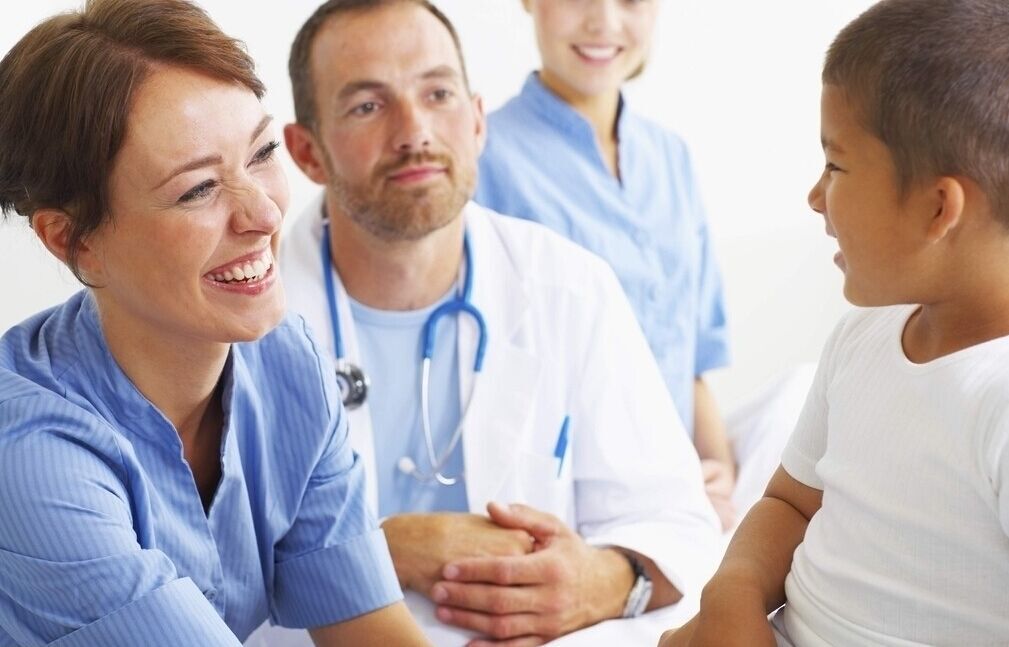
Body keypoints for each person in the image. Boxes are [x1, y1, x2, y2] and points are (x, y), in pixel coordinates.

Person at [259, 0, 722, 645]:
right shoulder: (243, 322)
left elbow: (678, 522)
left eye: (438, 94)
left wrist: (604, 580)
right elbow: (208, 565)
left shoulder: (570, 285)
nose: (414, 131)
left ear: (477, 122)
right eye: (367, 105)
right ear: (307, 152)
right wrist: (382, 547)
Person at [0, 1, 430, 645]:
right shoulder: (28, 457)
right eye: (198, 189)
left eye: (261, 153)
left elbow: (371, 634)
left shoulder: (287, 363)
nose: (264, 214)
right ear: (74, 241)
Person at [660, 0, 1009, 644]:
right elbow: (792, 502)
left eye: (836, 165)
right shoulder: (864, 337)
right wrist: (732, 595)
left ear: (939, 208)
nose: (816, 197)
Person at [473, 0, 735, 530]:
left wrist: (719, 467)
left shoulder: (671, 158)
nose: (604, 21)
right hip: (555, 508)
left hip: (681, 503)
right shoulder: (481, 159)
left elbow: (689, 360)